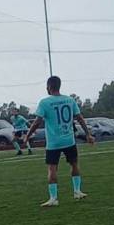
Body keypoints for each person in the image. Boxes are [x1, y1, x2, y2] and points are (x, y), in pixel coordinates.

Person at [24, 76, 93, 207]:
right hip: (69, 140)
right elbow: (79, 118)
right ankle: (77, 191)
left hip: (53, 142)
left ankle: (53, 198)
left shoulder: (44, 102)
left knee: (52, 169)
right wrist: (88, 134)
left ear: (49, 87)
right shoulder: (70, 100)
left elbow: (37, 122)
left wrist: (28, 135)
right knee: (74, 164)